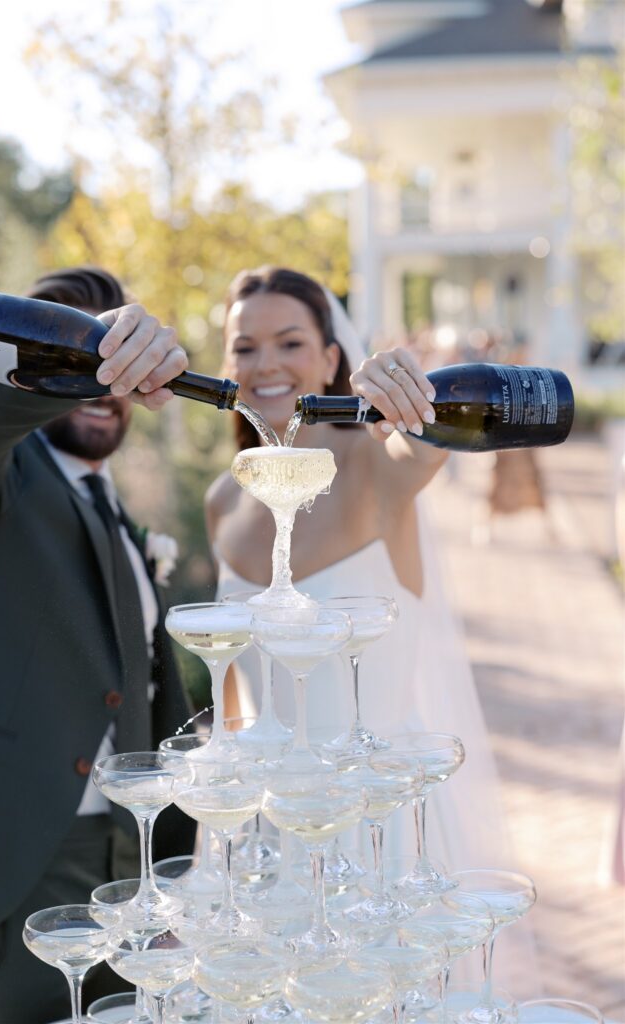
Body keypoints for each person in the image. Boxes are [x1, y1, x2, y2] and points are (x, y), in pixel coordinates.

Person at [0, 267, 196, 1023]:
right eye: (82, 350)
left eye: (119, 353)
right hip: (6, 873)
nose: (102, 377)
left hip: (127, 868)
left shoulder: (110, 500)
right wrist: (69, 365)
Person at [206, 265, 513, 875]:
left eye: (289, 343)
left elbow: (425, 445)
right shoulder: (222, 499)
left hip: (380, 816)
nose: (265, 363)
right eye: (245, 347)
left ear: (330, 360)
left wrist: (407, 390)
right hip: (268, 826)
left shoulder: (379, 468)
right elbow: (237, 699)